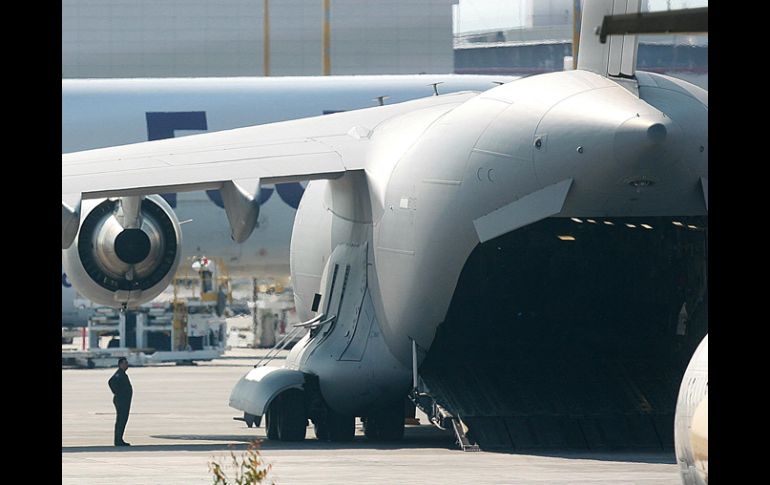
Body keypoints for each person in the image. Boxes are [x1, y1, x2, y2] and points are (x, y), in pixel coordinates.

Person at [108, 357, 133, 446]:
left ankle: (119, 439)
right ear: (120, 364)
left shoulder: (122, 374)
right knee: (121, 420)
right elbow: (111, 382)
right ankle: (118, 440)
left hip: (124, 401)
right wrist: (117, 393)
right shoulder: (119, 374)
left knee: (122, 420)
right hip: (121, 401)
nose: (127, 365)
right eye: (125, 363)